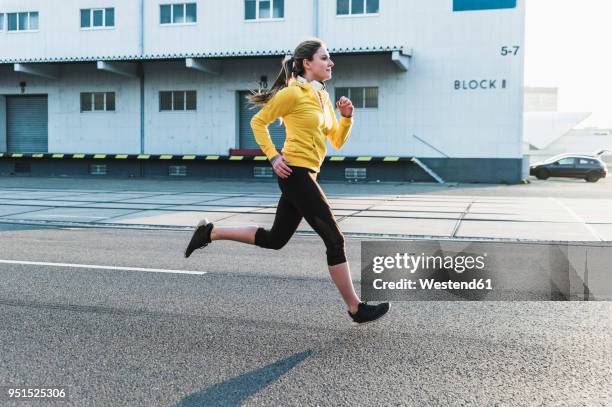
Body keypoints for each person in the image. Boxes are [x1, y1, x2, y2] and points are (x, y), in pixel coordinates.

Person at [184, 38, 389, 324]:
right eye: (325, 58)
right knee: (334, 239)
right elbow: (258, 122)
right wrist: (273, 156)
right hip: (295, 173)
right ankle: (356, 308)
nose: (331, 63)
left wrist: (346, 118)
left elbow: (337, 142)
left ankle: (209, 232)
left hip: (308, 174)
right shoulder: (293, 94)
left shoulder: (322, 98)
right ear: (307, 63)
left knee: (275, 239)